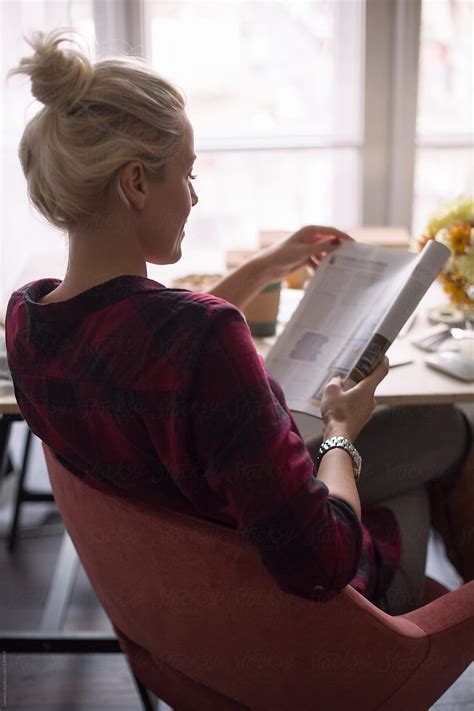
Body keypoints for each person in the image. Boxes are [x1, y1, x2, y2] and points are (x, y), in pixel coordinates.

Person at [5, 30, 472, 616]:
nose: (194, 198)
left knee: (436, 433)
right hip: (293, 615)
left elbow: (145, 348)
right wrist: (339, 432)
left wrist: (265, 266)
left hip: (174, 612)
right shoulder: (206, 336)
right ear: (137, 183)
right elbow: (321, 562)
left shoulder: (28, 320)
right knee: (448, 432)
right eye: (188, 173)